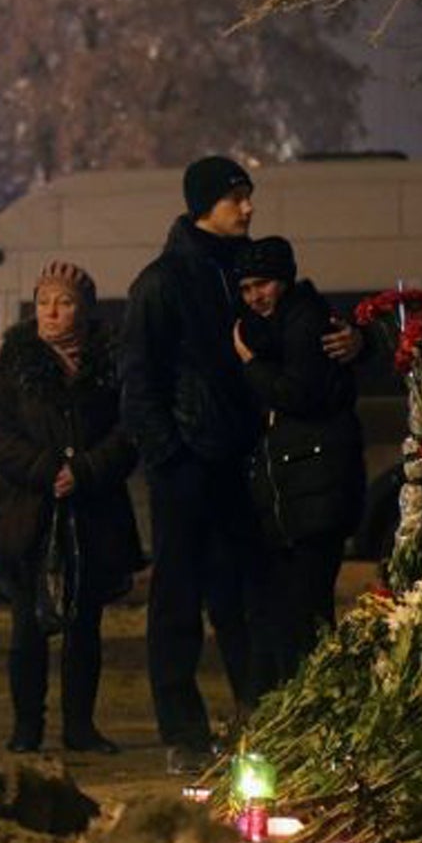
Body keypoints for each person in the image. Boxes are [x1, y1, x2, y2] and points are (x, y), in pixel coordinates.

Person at [120, 155, 262, 772]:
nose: (248, 208)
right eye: (236, 198)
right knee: (178, 606)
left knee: (242, 601)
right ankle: (183, 732)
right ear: (205, 203)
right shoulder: (162, 281)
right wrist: (171, 457)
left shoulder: (252, 271)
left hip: (236, 462)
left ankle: (257, 716)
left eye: (248, 196)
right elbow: (139, 381)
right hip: (187, 467)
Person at [0, 261, 142, 754]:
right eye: (44, 300)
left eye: (65, 301)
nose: (52, 311)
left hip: (92, 513)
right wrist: (43, 468)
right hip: (29, 513)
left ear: (84, 309)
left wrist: (88, 469)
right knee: (27, 628)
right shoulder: (14, 363)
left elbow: (130, 428)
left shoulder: (109, 362)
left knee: (84, 627)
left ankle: (80, 728)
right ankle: (27, 728)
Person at [231, 236, 365, 699]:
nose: (254, 296)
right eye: (246, 288)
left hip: (315, 489)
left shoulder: (304, 323)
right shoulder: (279, 325)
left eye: (262, 284)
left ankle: (318, 705)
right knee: (292, 612)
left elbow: (298, 394)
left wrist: (250, 365)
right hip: (296, 492)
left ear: (284, 281)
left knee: (305, 612)